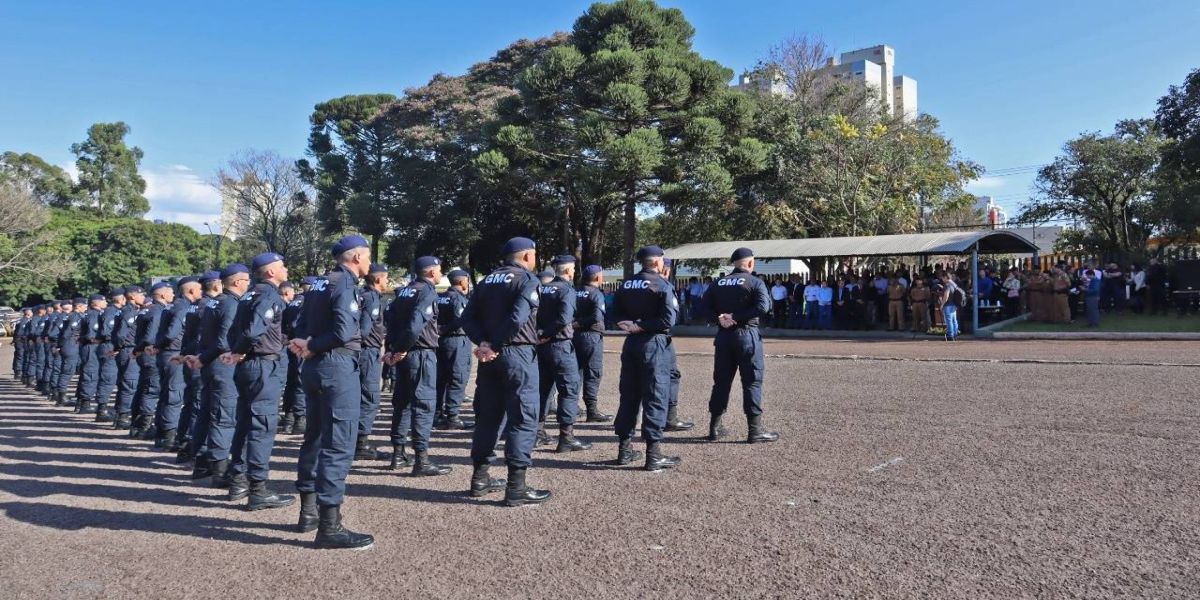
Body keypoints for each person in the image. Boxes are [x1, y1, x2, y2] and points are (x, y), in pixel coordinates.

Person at [291, 235, 375, 549]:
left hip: (313, 367)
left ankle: (308, 512)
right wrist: (312, 345)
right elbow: (343, 331)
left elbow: (299, 323)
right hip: (336, 367)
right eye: (367, 257)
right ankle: (329, 527)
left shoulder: (317, 284)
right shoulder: (345, 284)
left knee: (313, 438)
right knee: (338, 443)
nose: (368, 263)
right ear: (355, 258)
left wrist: (305, 344)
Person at [459, 237, 550, 506]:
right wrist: (495, 344)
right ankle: (516, 487)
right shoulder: (527, 280)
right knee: (523, 417)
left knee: (488, 417)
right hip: (516, 354)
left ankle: (480, 479)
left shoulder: (487, 281)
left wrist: (484, 344)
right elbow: (517, 317)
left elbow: (466, 318)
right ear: (525, 257)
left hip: (490, 357)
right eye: (534, 255)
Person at [223, 252, 294, 511]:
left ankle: (239, 480)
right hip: (262, 365)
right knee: (262, 427)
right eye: (282, 266)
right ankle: (258, 489)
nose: (286, 269)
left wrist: (237, 350)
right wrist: (240, 350)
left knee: (244, 423)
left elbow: (234, 330)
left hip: (250, 366)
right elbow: (253, 330)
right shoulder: (268, 295)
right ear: (271, 272)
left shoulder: (248, 295)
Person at [611, 245, 683, 470]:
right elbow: (667, 320)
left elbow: (612, 312)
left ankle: (624, 450)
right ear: (659, 261)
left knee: (629, 396)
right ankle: (653, 455)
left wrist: (627, 324)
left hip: (630, 343)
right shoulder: (662, 284)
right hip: (653, 344)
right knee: (655, 395)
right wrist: (641, 325)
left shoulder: (626, 284)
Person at [701, 247, 780, 444]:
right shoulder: (755, 281)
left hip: (723, 336)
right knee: (752, 382)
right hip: (747, 335)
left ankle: (714, 428)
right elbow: (763, 307)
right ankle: (754, 430)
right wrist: (736, 317)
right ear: (751, 263)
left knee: (721, 382)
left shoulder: (718, 283)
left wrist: (720, 319)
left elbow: (701, 307)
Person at [384, 256, 454, 476]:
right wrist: (402, 348)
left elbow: (390, 321)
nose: (441, 273)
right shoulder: (427, 291)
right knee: (423, 406)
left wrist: (393, 349)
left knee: (402, 404)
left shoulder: (404, 291)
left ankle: (398, 454)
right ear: (432, 272)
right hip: (420, 354)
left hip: (402, 355)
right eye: (440, 269)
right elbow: (415, 325)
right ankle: (421, 460)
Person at [198, 264, 251, 486]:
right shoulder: (230, 304)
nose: (249, 284)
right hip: (223, 364)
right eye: (247, 280)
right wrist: (239, 352)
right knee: (224, 416)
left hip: (212, 363)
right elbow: (224, 340)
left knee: (211, 413)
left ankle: (204, 462)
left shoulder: (215, 301)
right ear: (238, 282)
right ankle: (219, 470)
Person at [535, 254, 591, 453]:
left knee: (542, 391)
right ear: (567, 271)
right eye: (573, 269)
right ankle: (566, 437)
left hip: (541, 346)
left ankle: (537, 433)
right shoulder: (566, 290)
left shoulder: (542, 288)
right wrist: (548, 334)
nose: (574, 273)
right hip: (559, 345)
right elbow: (564, 319)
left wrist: (539, 334)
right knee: (569, 389)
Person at [177, 272, 221, 466]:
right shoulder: (208, 306)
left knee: (193, 404)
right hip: (200, 359)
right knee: (199, 407)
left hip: (193, 357)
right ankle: (193, 449)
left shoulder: (196, 306)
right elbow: (201, 339)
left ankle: (188, 445)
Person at [154, 276, 201, 451]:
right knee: (174, 396)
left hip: (167, 353)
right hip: (174, 354)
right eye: (199, 289)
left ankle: (163, 433)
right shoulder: (183, 307)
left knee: (167, 394)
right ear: (191, 291)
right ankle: (169, 436)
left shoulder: (173, 306)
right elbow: (172, 333)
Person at [354, 264, 390, 462]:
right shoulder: (373, 299)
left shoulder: (360, 294)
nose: (388, 282)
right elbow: (365, 329)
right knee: (369, 397)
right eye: (386, 278)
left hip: (360, 352)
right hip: (367, 353)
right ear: (377, 279)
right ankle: (361, 444)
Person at [436, 269, 476, 429]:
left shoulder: (440, 297)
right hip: (456, 342)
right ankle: (452, 416)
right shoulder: (458, 299)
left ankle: (437, 413)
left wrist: (439, 331)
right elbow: (461, 319)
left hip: (441, 342)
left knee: (440, 379)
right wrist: (445, 329)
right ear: (462, 281)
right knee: (457, 378)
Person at [573, 265, 613, 423]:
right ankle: (591, 410)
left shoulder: (574, 291)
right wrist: (579, 323)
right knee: (593, 373)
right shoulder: (596, 293)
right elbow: (596, 317)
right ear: (597, 278)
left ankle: (571, 408)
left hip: (573, 336)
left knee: (575, 373)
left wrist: (573, 324)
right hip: (591, 336)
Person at [132, 283, 171, 439]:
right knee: (152, 390)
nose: (173, 295)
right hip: (150, 353)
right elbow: (150, 336)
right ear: (162, 295)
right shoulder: (157, 311)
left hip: (144, 353)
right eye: (170, 292)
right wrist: (149, 347)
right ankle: (144, 427)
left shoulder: (146, 310)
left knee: (144, 388)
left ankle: (136, 425)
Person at [111, 286, 146, 430]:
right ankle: (123, 417)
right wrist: (120, 347)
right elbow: (120, 335)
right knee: (129, 384)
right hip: (129, 350)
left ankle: (119, 415)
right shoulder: (129, 312)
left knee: (125, 384)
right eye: (141, 295)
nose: (143, 297)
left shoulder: (131, 311)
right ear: (132, 297)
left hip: (127, 349)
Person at [279, 276, 310, 434]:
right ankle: (299, 419)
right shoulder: (306, 302)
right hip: (301, 345)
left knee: (291, 382)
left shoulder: (292, 303)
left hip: (289, 346)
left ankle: (289, 418)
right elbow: (295, 324)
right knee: (299, 383)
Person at [93, 289, 125, 423]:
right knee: (108, 378)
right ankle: (102, 410)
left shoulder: (116, 311)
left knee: (113, 378)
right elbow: (107, 332)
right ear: (120, 299)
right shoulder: (111, 312)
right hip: (109, 346)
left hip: (112, 345)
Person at [74, 294, 105, 413]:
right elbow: (91, 336)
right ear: (97, 303)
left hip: (89, 347)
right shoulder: (93, 315)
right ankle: (85, 404)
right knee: (90, 375)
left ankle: (80, 402)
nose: (106, 303)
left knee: (86, 375)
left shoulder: (90, 314)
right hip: (91, 347)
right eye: (104, 301)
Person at [54, 298, 84, 407]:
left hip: (70, 344)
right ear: (79, 307)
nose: (86, 308)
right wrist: (60, 345)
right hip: (70, 345)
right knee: (67, 371)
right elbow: (67, 333)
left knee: (67, 370)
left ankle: (61, 396)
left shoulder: (73, 316)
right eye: (84, 306)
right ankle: (61, 398)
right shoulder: (75, 316)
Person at [939, 272, 962, 341]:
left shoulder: (947, 285)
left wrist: (942, 304)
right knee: (954, 320)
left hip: (948, 305)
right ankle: (955, 334)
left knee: (949, 320)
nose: (942, 279)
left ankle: (950, 335)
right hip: (954, 304)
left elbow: (946, 295)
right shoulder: (953, 284)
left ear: (946, 277)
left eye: (943, 278)